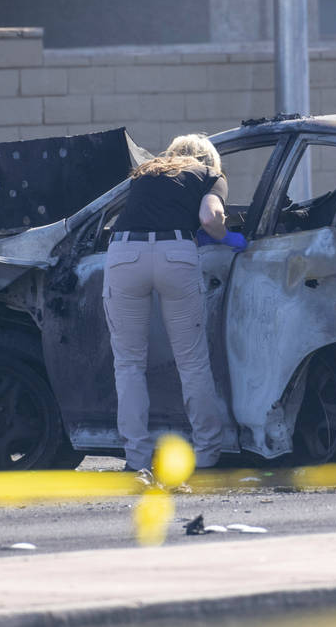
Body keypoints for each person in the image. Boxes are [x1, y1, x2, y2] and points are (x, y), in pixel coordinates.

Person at [102, 134, 247, 474]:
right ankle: (208, 455)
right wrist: (229, 238)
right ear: (209, 158)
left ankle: (137, 460)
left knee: (128, 364)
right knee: (192, 363)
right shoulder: (211, 176)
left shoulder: (146, 170)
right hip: (175, 254)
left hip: (125, 254)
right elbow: (210, 219)